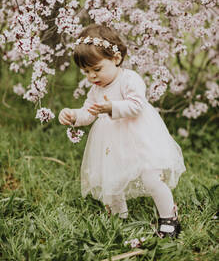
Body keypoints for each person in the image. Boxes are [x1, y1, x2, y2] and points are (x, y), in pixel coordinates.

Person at [58, 24, 186, 238]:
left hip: (140, 138)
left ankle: (169, 217)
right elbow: (88, 113)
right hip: (111, 143)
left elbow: (137, 105)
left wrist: (112, 107)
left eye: (97, 69)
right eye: (86, 72)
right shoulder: (96, 89)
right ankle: (119, 218)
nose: (92, 76)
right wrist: (73, 115)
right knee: (112, 180)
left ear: (116, 59)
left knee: (152, 178)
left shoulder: (129, 79)